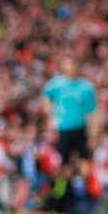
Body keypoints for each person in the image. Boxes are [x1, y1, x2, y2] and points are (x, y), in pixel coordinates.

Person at [42, 57, 96, 200]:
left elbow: (91, 112)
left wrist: (93, 133)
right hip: (64, 129)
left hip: (80, 128)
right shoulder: (57, 84)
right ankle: (63, 195)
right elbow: (45, 96)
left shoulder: (86, 86)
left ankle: (84, 195)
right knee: (64, 165)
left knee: (84, 164)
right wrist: (51, 115)